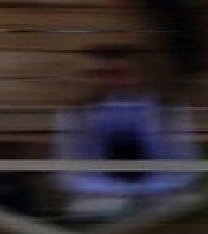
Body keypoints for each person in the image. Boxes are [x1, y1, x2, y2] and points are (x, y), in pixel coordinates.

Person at [52, 44, 200, 219]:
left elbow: (184, 166)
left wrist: (145, 193)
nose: (112, 82)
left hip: (161, 196)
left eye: (120, 74)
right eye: (102, 75)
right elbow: (71, 173)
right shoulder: (76, 114)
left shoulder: (168, 111)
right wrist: (119, 193)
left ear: (142, 75)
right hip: (101, 199)